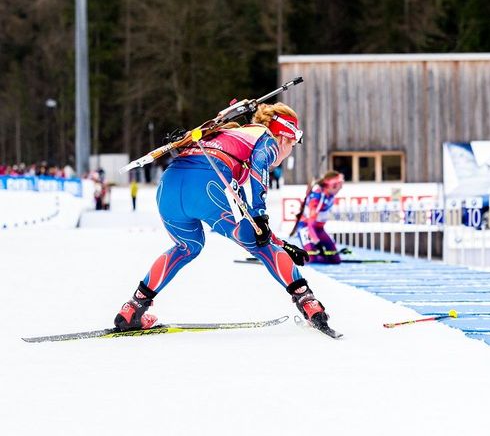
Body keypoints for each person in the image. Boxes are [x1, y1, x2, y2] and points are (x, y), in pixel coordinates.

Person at [114, 102, 329, 331]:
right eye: (293, 144)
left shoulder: (225, 131)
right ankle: (308, 302)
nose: (289, 151)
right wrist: (260, 214)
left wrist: (281, 243)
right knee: (260, 245)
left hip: (169, 186)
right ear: (286, 137)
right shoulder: (267, 137)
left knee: (187, 247)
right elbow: (258, 168)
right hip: (209, 185)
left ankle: (133, 308)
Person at [291, 171, 345, 264]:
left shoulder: (330, 194)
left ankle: (318, 255)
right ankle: (295, 256)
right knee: (313, 259)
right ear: (332, 185)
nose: (341, 187)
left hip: (319, 229)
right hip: (306, 228)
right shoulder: (318, 197)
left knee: (336, 260)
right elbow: (310, 225)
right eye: (339, 185)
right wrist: (317, 243)